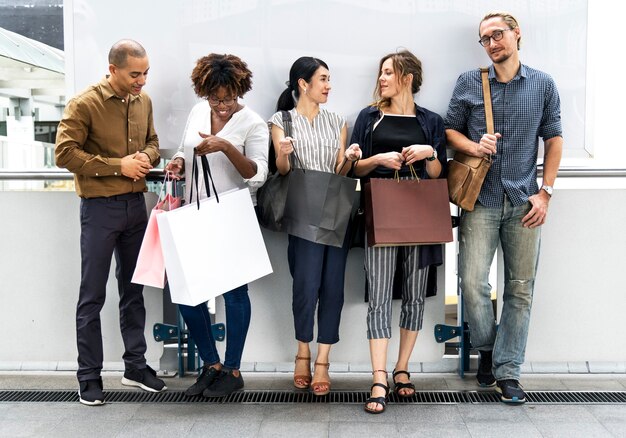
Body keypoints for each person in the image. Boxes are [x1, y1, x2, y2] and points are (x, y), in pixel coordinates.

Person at [445, 11, 563, 404]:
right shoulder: (469, 82)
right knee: (473, 283)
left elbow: (554, 138)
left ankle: (508, 372)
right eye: (485, 38)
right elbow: (449, 131)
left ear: (517, 35)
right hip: (480, 199)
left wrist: (545, 192)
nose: (492, 43)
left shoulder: (543, 84)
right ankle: (488, 349)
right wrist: (474, 146)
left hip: (525, 200)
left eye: (498, 35)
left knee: (520, 288)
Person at [55, 39, 166, 406]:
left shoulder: (143, 102)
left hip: (136, 207)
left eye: (146, 73)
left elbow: (152, 141)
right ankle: (88, 376)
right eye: (136, 74)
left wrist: (145, 157)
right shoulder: (84, 103)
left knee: (134, 291)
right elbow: (64, 153)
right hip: (99, 209)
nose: (143, 81)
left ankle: (135, 366)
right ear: (113, 68)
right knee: (93, 295)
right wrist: (120, 164)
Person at [165, 53, 269, 398]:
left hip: (232, 217)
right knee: (187, 295)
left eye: (228, 98)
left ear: (240, 90)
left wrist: (225, 145)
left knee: (235, 294)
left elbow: (258, 173)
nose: (221, 105)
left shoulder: (253, 123)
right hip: (196, 214)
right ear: (204, 92)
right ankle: (211, 365)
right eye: (214, 98)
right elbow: (184, 148)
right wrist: (180, 161)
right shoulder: (198, 111)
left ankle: (233, 369)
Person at [350, 50, 447, 414]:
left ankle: (402, 368)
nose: (382, 79)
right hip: (380, 212)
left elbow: (438, 175)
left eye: (389, 72)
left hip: (421, 215)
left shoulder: (431, 121)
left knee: (415, 294)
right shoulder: (369, 117)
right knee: (378, 295)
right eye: (381, 73)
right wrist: (377, 160)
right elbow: (353, 169)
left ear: (408, 77)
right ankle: (378, 376)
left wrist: (428, 154)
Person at [268, 56, 360, 397]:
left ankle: (323, 360)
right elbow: (283, 170)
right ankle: (302, 353)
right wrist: (284, 153)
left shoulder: (337, 120)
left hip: (335, 209)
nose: (328, 85)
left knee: (333, 286)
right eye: (322, 79)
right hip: (302, 209)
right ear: (302, 84)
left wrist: (349, 156)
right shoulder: (282, 120)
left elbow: (340, 172)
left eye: (329, 79)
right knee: (305, 285)